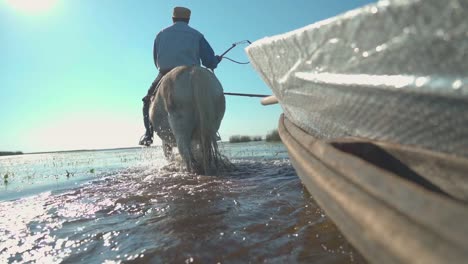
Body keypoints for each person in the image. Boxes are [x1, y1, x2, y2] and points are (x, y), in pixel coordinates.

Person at [139, 6, 222, 146]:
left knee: (147, 101)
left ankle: (148, 135)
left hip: (165, 72)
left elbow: (156, 60)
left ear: (173, 18)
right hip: (193, 73)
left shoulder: (161, 34)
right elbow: (209, 62)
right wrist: (216, 60)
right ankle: (212, 130)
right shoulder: (197, 35)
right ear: (188, 20)